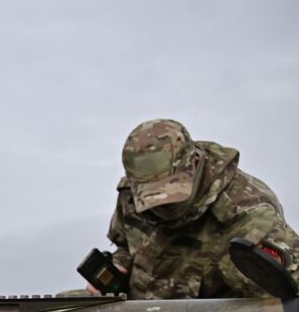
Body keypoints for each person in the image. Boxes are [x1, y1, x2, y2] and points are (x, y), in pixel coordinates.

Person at [98, 119, 299, 299]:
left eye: (171, 194)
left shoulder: (247, 213)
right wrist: (119, 266)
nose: (163, 208)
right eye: (152, 197)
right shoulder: (130, 195)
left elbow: (284, 299)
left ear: (194, 163)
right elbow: (125, 245)